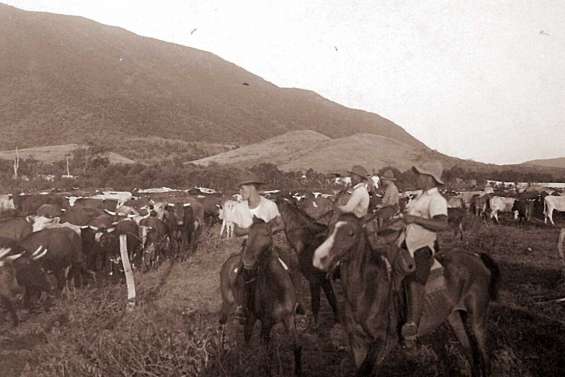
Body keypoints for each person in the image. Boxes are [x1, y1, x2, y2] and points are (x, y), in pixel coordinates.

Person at [231, 172, 302, 321]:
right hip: (248, 248)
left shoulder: (269, 205)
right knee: (238, 274)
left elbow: (281, 224)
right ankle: (242, 307)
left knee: (290, 267)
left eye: (242, 189)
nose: (240, 192)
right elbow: (236, 230)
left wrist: (267, 232)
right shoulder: (239, 208)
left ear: (251, 188)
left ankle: (295, 302)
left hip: (266, 249)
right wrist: (251, 231)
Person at [400, 161, 448, 348]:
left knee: (414, 280)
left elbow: (442, 224)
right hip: (405, 245)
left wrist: (415, 219)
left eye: (420, 174)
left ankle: (412, 327)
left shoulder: (437, 200)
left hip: (422, 248)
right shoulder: (418, 196)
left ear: (429, 178)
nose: (417, 177)